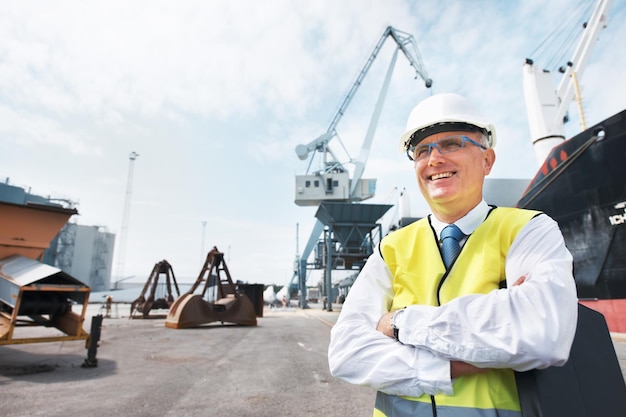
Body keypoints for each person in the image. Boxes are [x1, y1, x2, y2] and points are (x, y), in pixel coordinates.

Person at [327, 93, 578, 417]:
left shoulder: (528, 230)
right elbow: (346, 352)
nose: (434, 159)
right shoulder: (391, 248)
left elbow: (542, 333)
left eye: (451, 144)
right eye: (421, 151)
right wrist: (452, 363)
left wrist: (400, 323)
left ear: (487, 159)